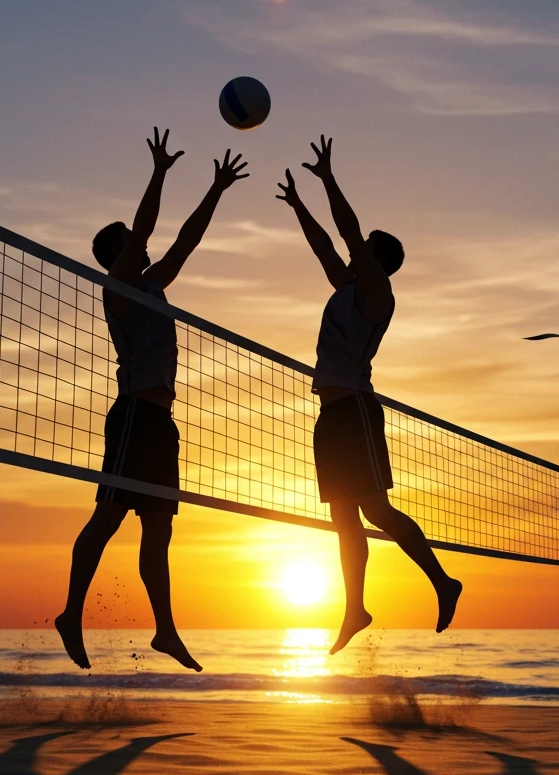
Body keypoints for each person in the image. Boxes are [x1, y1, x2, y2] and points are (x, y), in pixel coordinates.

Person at [54, 127, 248, 671]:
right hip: (135, 415)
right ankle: (72, 613)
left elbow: (185, 241)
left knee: (158, 530)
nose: (137, 244)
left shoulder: (153, 285)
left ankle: (165, 630)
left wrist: (216, 189)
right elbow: (146, 229)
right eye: (128, 242)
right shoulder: (116, 287)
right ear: (114, 256)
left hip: (162, 422)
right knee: (108, 518)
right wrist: (159, 172)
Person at [276, 135, 462, 654]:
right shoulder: (347, 288)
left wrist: (329, 179)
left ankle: (442, 582)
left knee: (375, 511)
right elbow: (326, 247)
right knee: (342, 518)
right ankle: (355, 607)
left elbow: (348, 232)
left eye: (367, 252)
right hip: (330, 414)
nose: (358, 254)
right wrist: (298, 206)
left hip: (356, 410)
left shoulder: (377, 294)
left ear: (379, 262)